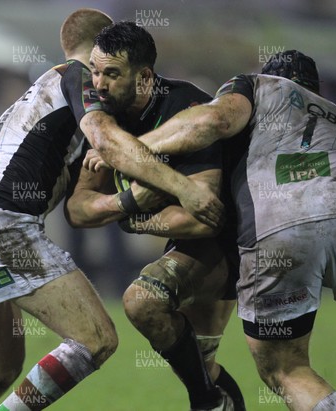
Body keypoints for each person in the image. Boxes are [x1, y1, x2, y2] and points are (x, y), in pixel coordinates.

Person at [107, 50, 336, 410]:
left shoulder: (257, 85)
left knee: (286, 369)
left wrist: (130, 150)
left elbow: (211, 122)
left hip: (277, 230)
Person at [0, 9, 223, 411]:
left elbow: (78, 208)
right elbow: (103, 137)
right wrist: (183, 189)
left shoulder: (39, 88)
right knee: (96, 340)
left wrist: (122, 200)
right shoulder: (78, 75)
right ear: (102, 48)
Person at [66, 21, 244, 411]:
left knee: (142, 302)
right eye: (95, 71)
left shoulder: (185, 108)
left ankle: (205, 400)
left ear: (144, 77)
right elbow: (78, 209)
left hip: (228, 241)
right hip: (184, 241)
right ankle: (209, 398)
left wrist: (133, 222)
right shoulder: (104, 119)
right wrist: (127, 205)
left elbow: (203, 218)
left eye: (112, 74)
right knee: (203, 363)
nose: (98, 84)